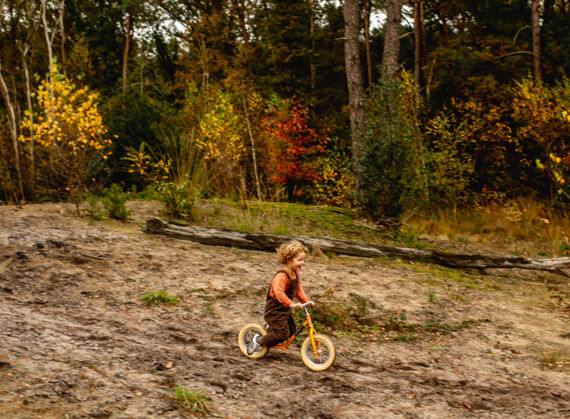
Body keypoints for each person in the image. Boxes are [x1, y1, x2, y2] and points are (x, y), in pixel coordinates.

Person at [248, 240, 315, 354]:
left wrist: (307, 302)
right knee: (282, 334)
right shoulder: (281, 276)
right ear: (288, 260)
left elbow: (298, 290)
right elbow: (279, 293)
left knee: (292, 331)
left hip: (285, 310)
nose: (302, 263)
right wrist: (291, 304)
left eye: (303, 260)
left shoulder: (295, 274)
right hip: (274, 311)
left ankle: (270, 331)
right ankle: (258, 341)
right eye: (299, 260)